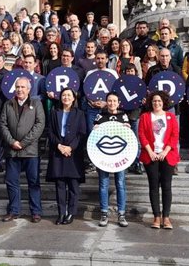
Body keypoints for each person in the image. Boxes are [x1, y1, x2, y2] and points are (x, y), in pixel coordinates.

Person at [0, 77, 45, 223]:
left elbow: (40, 124)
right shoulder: (8, 104)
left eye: (23, 87)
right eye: (17, 87)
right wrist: (12, 141)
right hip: (12, 151)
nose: (20, 89)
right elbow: (2, 124)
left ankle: (36, 211)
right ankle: (14, 210)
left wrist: (23, 142)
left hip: (30, 151)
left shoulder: (36, 104)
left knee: (34, 182)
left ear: (28, 89)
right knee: (12, 182)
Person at [138, 91, 179, 229]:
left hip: (167, 155)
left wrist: (165, 151)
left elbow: (174, 135)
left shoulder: (171, 117)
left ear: (164, 102)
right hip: (151, 155)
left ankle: (166, 218)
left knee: (167, 186)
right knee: (153, 186)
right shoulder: (145, 117)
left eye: (159, 101)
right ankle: (156, 217)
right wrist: (150, 151)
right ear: (151, 102)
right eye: (154, 101)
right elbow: (142, 135)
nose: (157, 103)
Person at [47, 88, 86, 225]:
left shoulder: (79, 113)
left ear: (74, 98)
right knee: (60, 185)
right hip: (58, 152)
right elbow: (50, 131)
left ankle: (71, 213)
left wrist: (70, 147)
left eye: (69, 95)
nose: (66, 97)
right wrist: (59, 146)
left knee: (74, 186)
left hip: (73, 154)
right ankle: (61, 213)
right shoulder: (54, 112)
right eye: (64, 95)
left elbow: (81, 133)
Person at [93, 93, 130, 227]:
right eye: (109, 101)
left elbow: (128, 137)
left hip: (120, 156)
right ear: (106, 102)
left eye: (114, 101)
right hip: (103, 156)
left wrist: (128, 128)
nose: (112, 103)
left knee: (120, 183)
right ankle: (104, 213)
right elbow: (94, 137)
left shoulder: (123, 116)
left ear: (118, 102)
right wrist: (95, 129)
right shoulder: (100, 116)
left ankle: (121, 213)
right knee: (103, 184)